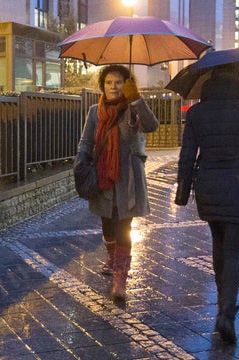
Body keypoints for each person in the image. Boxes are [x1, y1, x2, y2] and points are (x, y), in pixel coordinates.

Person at [175, 68, 239, 344]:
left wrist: (182, 192)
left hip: (208, 186)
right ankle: (226, 313)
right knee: (233, 253)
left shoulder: (196, 113)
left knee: (218, 245)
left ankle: (222, 306)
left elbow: (187, 155)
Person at [76, 65, 158, 301]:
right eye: (109, 82)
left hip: (127, 179)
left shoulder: (133, 109)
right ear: (102, 86)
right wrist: (80, 163)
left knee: (123, 225)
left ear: (127, 84)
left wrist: (137, 100)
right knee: (107, 224)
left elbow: (152, 126)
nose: (113, 87)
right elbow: (86, 141)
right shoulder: (95, 111)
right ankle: (112, 258)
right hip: (102, 176)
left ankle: (120, 279)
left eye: (119, 82)